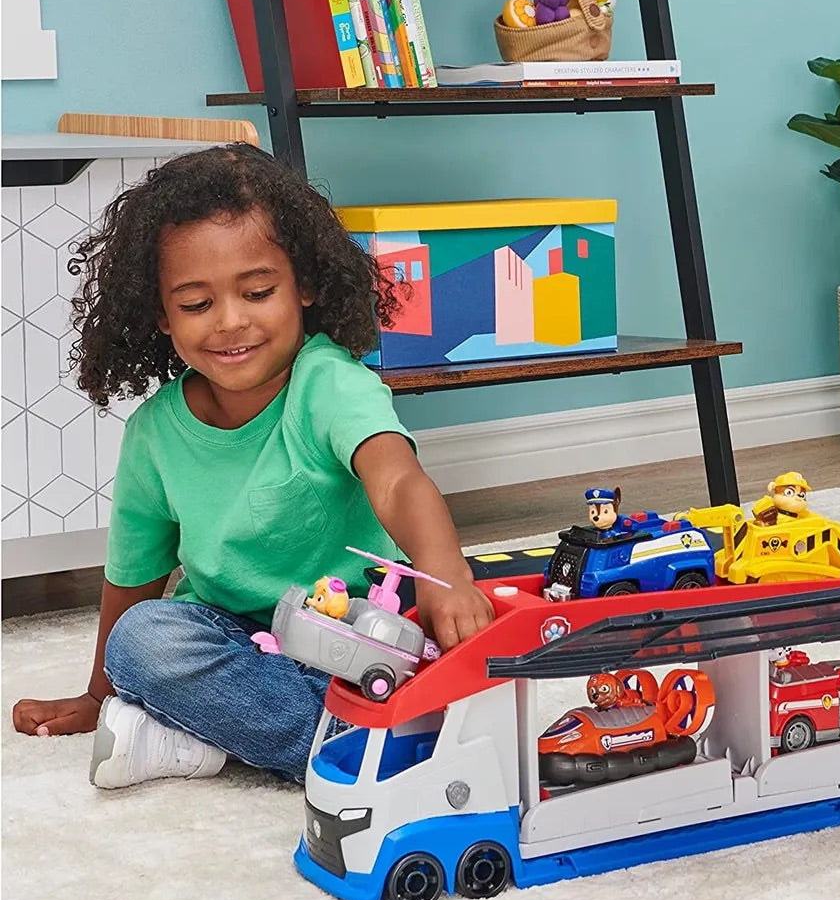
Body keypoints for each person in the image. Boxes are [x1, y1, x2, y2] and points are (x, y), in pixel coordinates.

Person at [10, 144, 494, 788]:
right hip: (232, 636)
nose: (231, 322)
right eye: (196, 304)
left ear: (305, 285)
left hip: (358, 631)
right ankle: (347, 742)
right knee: (143, 639)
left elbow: (397, 477)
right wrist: (99, 692)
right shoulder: (154, 433)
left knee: (428, 659)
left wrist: (444, 574)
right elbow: (133, 575)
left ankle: (204, 734)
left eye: (258, 292)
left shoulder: (330, 383)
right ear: (160, 315)